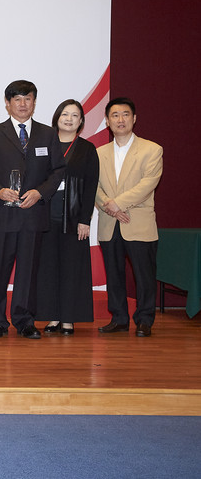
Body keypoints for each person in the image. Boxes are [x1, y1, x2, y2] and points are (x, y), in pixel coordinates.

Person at [0, 80, 65, 340]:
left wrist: (40, 192)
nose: (22, 104)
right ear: (7, 103)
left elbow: (57, 170)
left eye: (28, 98)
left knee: (28, 271)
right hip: (4, 214)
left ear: (35, 102)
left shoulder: (47, 134)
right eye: (17, 99)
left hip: (33, 215)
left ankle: (25, 320)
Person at [96, 97, 163, 337]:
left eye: (125, 114)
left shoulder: (152, 149)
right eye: (115, 115)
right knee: (114, 274)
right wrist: (109, 206)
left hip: (138, 222)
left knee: (144, 275)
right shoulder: (99, 153)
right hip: (108, 222)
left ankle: (145, 320)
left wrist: (118, 203)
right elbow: (94, 186)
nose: (120, 119)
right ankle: (119, 318)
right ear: (107, 121)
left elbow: (148, 183)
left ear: (134, 119)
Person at [37, 100, 99, 335]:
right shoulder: (44, 144)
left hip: (73, 219)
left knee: (72, 269)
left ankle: (68, 318)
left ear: (81, 121)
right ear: (57, 117)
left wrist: (85, 219)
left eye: (75, 115)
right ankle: (52, 316)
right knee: (48, 268)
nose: (69, 119)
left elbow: (91, 185)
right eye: (65, 114)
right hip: (45, 217)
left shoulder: (86, 149)